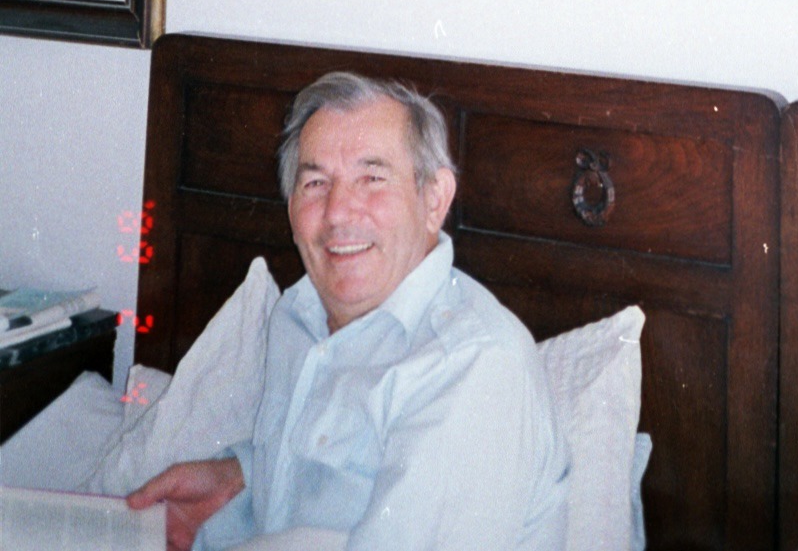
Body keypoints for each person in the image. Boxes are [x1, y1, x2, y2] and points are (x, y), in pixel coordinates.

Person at [128, 74, 569, 551]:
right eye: (316, 182)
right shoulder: (298, 315)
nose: (338, 212)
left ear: (434, 199)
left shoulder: (473, 365)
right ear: (292, 205)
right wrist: (237, 476)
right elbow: (336, 472)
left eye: (372, 178)